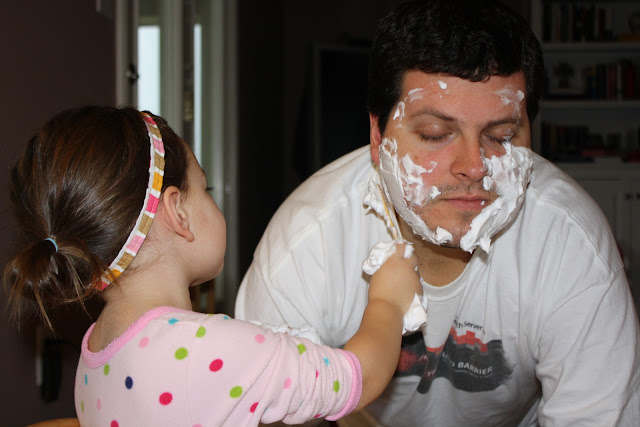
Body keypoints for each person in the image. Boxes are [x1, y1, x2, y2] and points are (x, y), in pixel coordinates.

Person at [235, 0, 640, 425]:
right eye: (435, 134)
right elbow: (258, 411)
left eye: (502, 135)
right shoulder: (308, 240)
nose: (474, 166)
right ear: (377, 136)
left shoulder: (570, 242)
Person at [3, 106, 423, 426]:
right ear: (177, 212)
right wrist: (387, 302)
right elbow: (357, 379)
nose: (211, 198)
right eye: (205, 188)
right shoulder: (215, 350)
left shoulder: (95, 350)